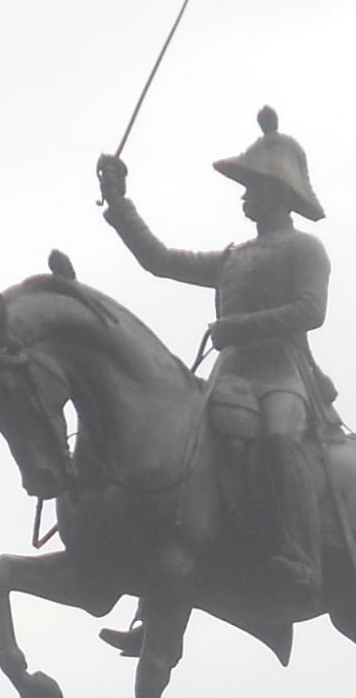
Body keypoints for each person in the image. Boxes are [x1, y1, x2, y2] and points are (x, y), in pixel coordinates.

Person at [98, 108, 335, 612]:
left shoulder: (304, 248)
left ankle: (300, 554)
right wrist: (120, 204)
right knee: (181, 454)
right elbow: (160, 261)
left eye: (254, 186)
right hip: (231, 378)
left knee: (278, 438)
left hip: (282, 375)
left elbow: (310, 311)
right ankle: (162, 587)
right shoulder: (233, 258)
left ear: (280, 194)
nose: (245, 195)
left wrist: (238, 327)